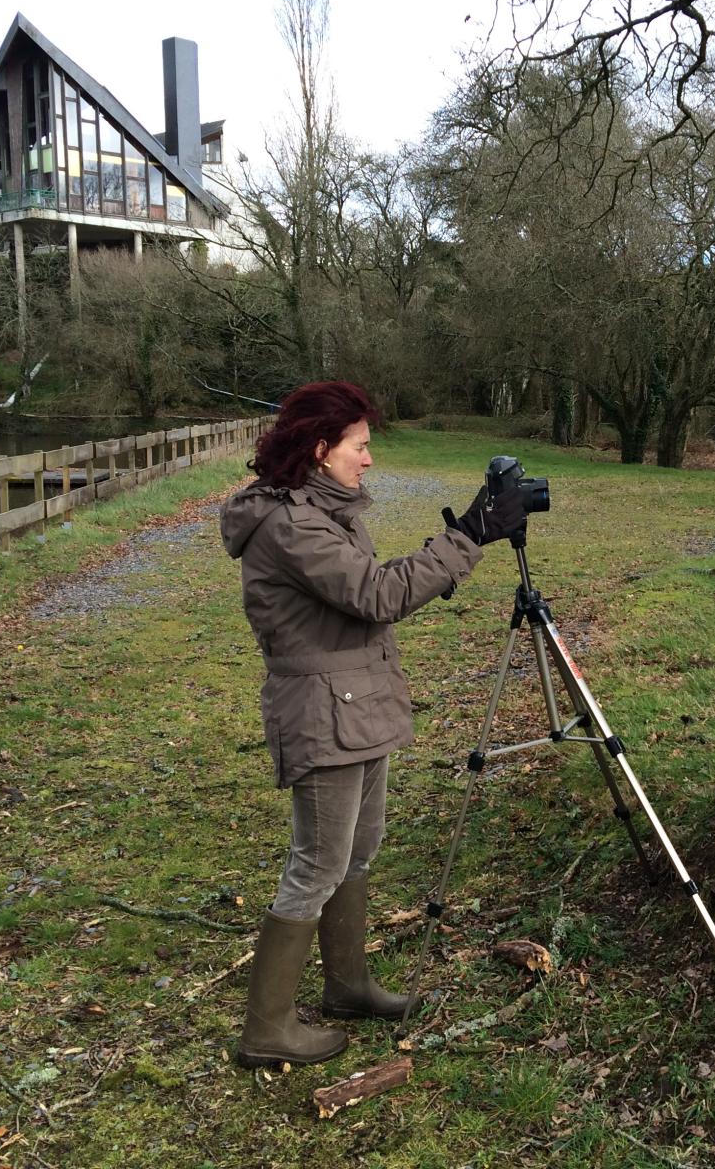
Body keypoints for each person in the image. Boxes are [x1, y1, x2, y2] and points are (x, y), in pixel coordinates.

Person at [219, 381, 524, 1068]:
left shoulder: (326, 509)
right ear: (322, 450)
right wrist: (469, 534)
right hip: (323, 713)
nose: (370, 460)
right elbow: (377, 593)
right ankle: (267, 1028)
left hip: (356, 704)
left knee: (358, 851)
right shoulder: (291, 524)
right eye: (360, 446)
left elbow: (370, 591)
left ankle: (348, 986)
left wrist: (462, 539)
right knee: (317, 864)